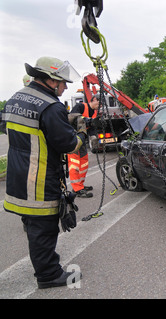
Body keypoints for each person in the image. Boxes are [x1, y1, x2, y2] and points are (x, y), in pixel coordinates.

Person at [3, 56, 85, 289]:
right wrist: (81, 134)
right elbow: (68, 144)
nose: (65, 87)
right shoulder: (51, 106)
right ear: (50, 80)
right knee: (44, 227)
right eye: (62, 82)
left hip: (18, 173)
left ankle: (42, 265)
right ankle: (48, 274)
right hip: (38, 177)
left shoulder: (15, 98)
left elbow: (34, 130)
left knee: (31, 224)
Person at [67, 95, 99, 197]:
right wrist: (86, 120)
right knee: (75, 164)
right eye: (99, 103)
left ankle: (80, 185)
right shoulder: (80, 106)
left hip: (82, 140)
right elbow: (72, 119)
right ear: (94, 99)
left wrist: (94, 138)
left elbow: (91, 127)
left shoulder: (93, 113)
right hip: (74, 139)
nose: (100, 106)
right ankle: (77, 189)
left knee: (84, 163)